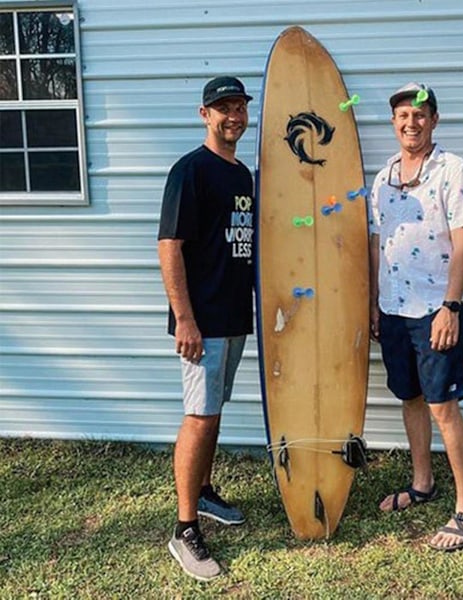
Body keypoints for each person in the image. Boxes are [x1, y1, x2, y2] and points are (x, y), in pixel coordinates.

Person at [368, 82, 463, 551]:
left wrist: (451, 306)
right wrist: (374, 304)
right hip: (394, 309)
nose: (410, 123)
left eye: (420, 115)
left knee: (442, 406)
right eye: (402, 116)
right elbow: (377, 244)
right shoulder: (383, 178)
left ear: (434, 120)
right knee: (411, 398)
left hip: (436, 310)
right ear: (393, 122)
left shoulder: (453, 170)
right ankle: (422, 484)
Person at [157, 76, 254, 580]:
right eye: (223, 108)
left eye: (239, 107)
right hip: (203, 322)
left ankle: (204, 490)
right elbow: (169, 246)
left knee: (213, 411)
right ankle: (185, 527)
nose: (233, 116)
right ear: (204, 114)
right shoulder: (190, 172)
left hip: (235, 318)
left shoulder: (243, 176)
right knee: (198, 415)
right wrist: (186, 319)